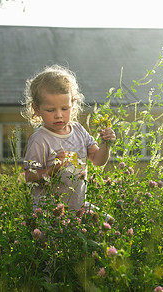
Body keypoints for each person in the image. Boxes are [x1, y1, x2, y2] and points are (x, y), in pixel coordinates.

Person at [21, 65, 116, 211]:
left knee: (109, 224)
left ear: (73, 103)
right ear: (36, 109)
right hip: (50, 214)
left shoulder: (78, 130)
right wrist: (53, 169)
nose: (58, 115)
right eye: (51, 110)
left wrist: (106, 143)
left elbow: (98, 160)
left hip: (77, 208)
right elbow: (29, 177)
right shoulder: (40, 140)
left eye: (64, 108)